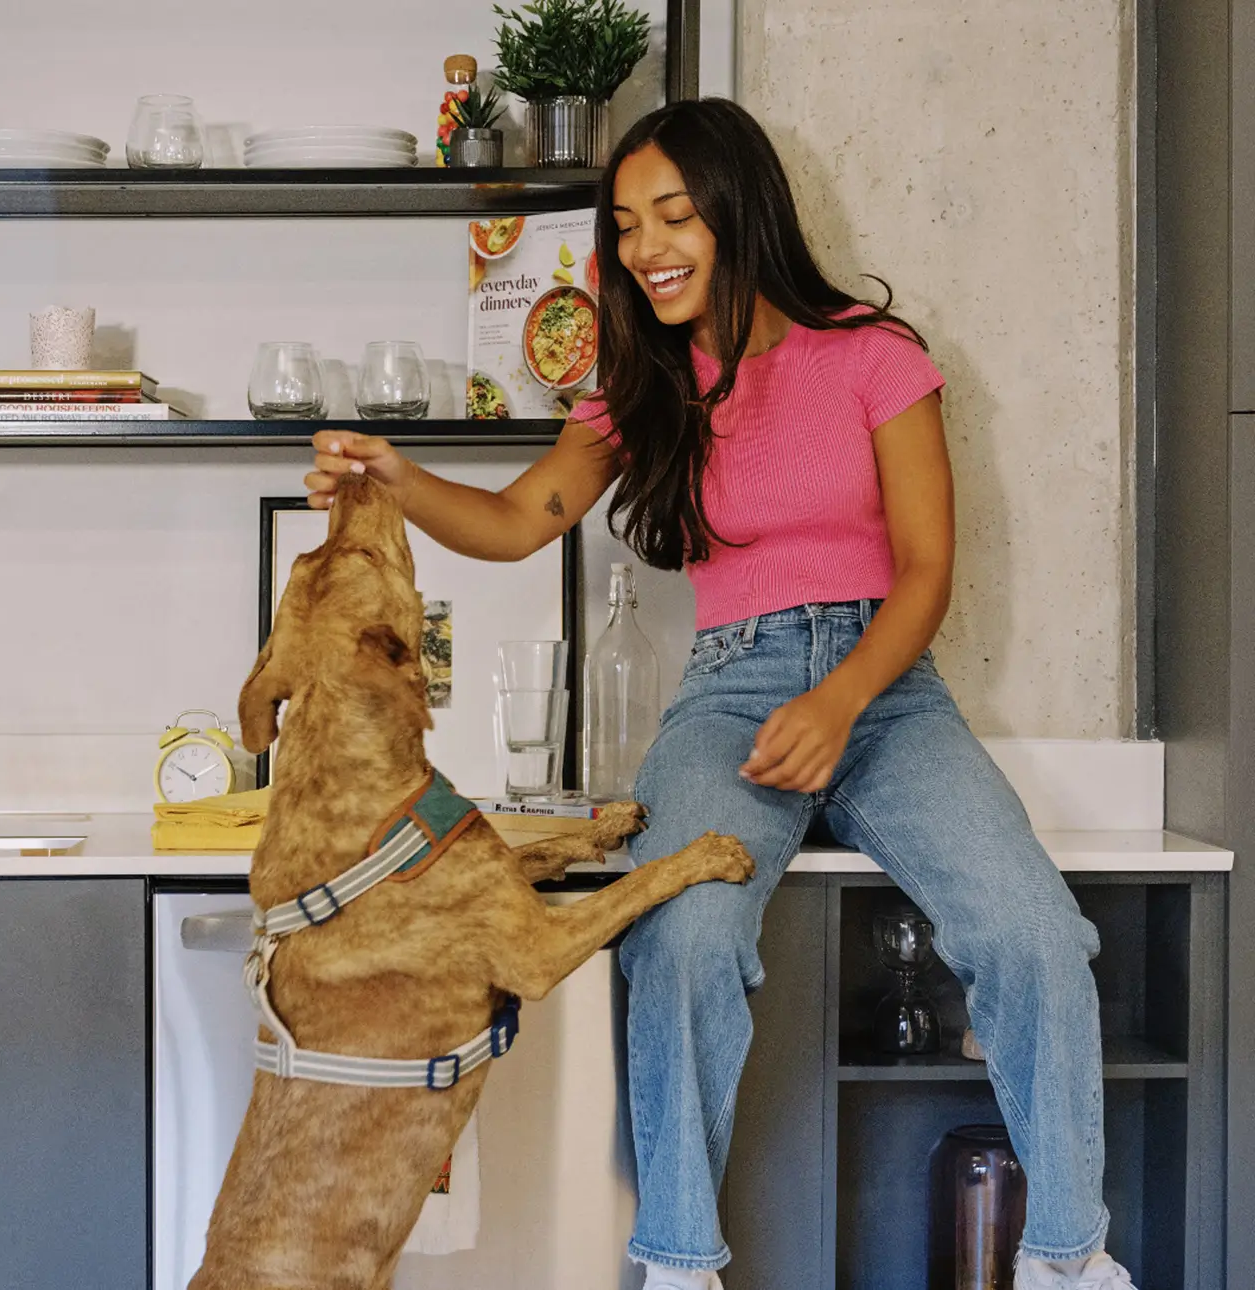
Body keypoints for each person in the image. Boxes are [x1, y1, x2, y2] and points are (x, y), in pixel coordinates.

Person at [303, 97, 1131, 1290]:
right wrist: (395, 472)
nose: (645, 248)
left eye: (673, 215)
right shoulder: (643, 387)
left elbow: (926, 571)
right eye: (626, 224)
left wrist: (839, 702)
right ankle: (677, 1265)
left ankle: (1067, 1261)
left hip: (886, 696)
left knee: (1033, 933)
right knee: (682, 938)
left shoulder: (872, 359)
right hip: (727, 693)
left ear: (738, 210)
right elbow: (513, 520)